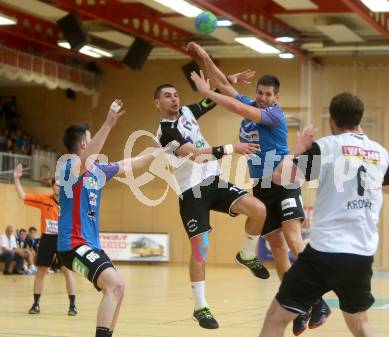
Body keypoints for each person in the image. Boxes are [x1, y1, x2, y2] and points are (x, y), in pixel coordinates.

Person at [187, 41, 330, 335]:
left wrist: (204, 93)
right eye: (260, 93)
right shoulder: (253, 104)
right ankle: (296, 305)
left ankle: (318, 300)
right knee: (277, 247)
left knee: (293, 240)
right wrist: (204, 56)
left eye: (268, 95)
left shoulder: (274, 115)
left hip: (284, 178)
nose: (263, 98)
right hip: (262, 185)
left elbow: (234, 104)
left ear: (276, 98)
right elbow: (225, 85)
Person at [258, 92, 389, 337]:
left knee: (276, 319)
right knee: (361, 323)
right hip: (361, 254)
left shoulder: (325, 147)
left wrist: (300, 147)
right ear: (360, 119)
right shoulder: (381, 152)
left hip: (324, 253)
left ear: (331, 119)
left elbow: (280, 178)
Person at [57, 99, 176, 337]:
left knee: (118, 289)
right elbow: (85, 160)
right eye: (90, 140)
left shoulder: (98, 172)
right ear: (83, 143)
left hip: (90, 244)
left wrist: (160, 152)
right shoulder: (69, 167)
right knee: (115, 284)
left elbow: (131, 164)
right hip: (72, 245)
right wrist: (108, 124)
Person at [154, 83, 269, 329]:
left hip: (214, 182)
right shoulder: (165, 132)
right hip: (191, 192)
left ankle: (247, 255)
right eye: (167, 96)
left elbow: (209, 101)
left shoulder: (186, 112)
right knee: (200, 249)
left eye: (176, 94)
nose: (174, 99)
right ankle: (200, 307)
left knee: (259, 210)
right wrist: (232, 148)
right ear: (158, 104)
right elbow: (195, 154)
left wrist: (226, 81)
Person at [13, 164, 78, 315]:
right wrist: (16, 179)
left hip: (64, 240)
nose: (59, 187)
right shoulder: (44, 200)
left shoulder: (71, 202)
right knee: (41, 271)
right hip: (47, 239)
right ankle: (36, 304)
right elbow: (23, 196)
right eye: (57, 185)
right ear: (52, 186)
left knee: (67, 272)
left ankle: (72, 306)